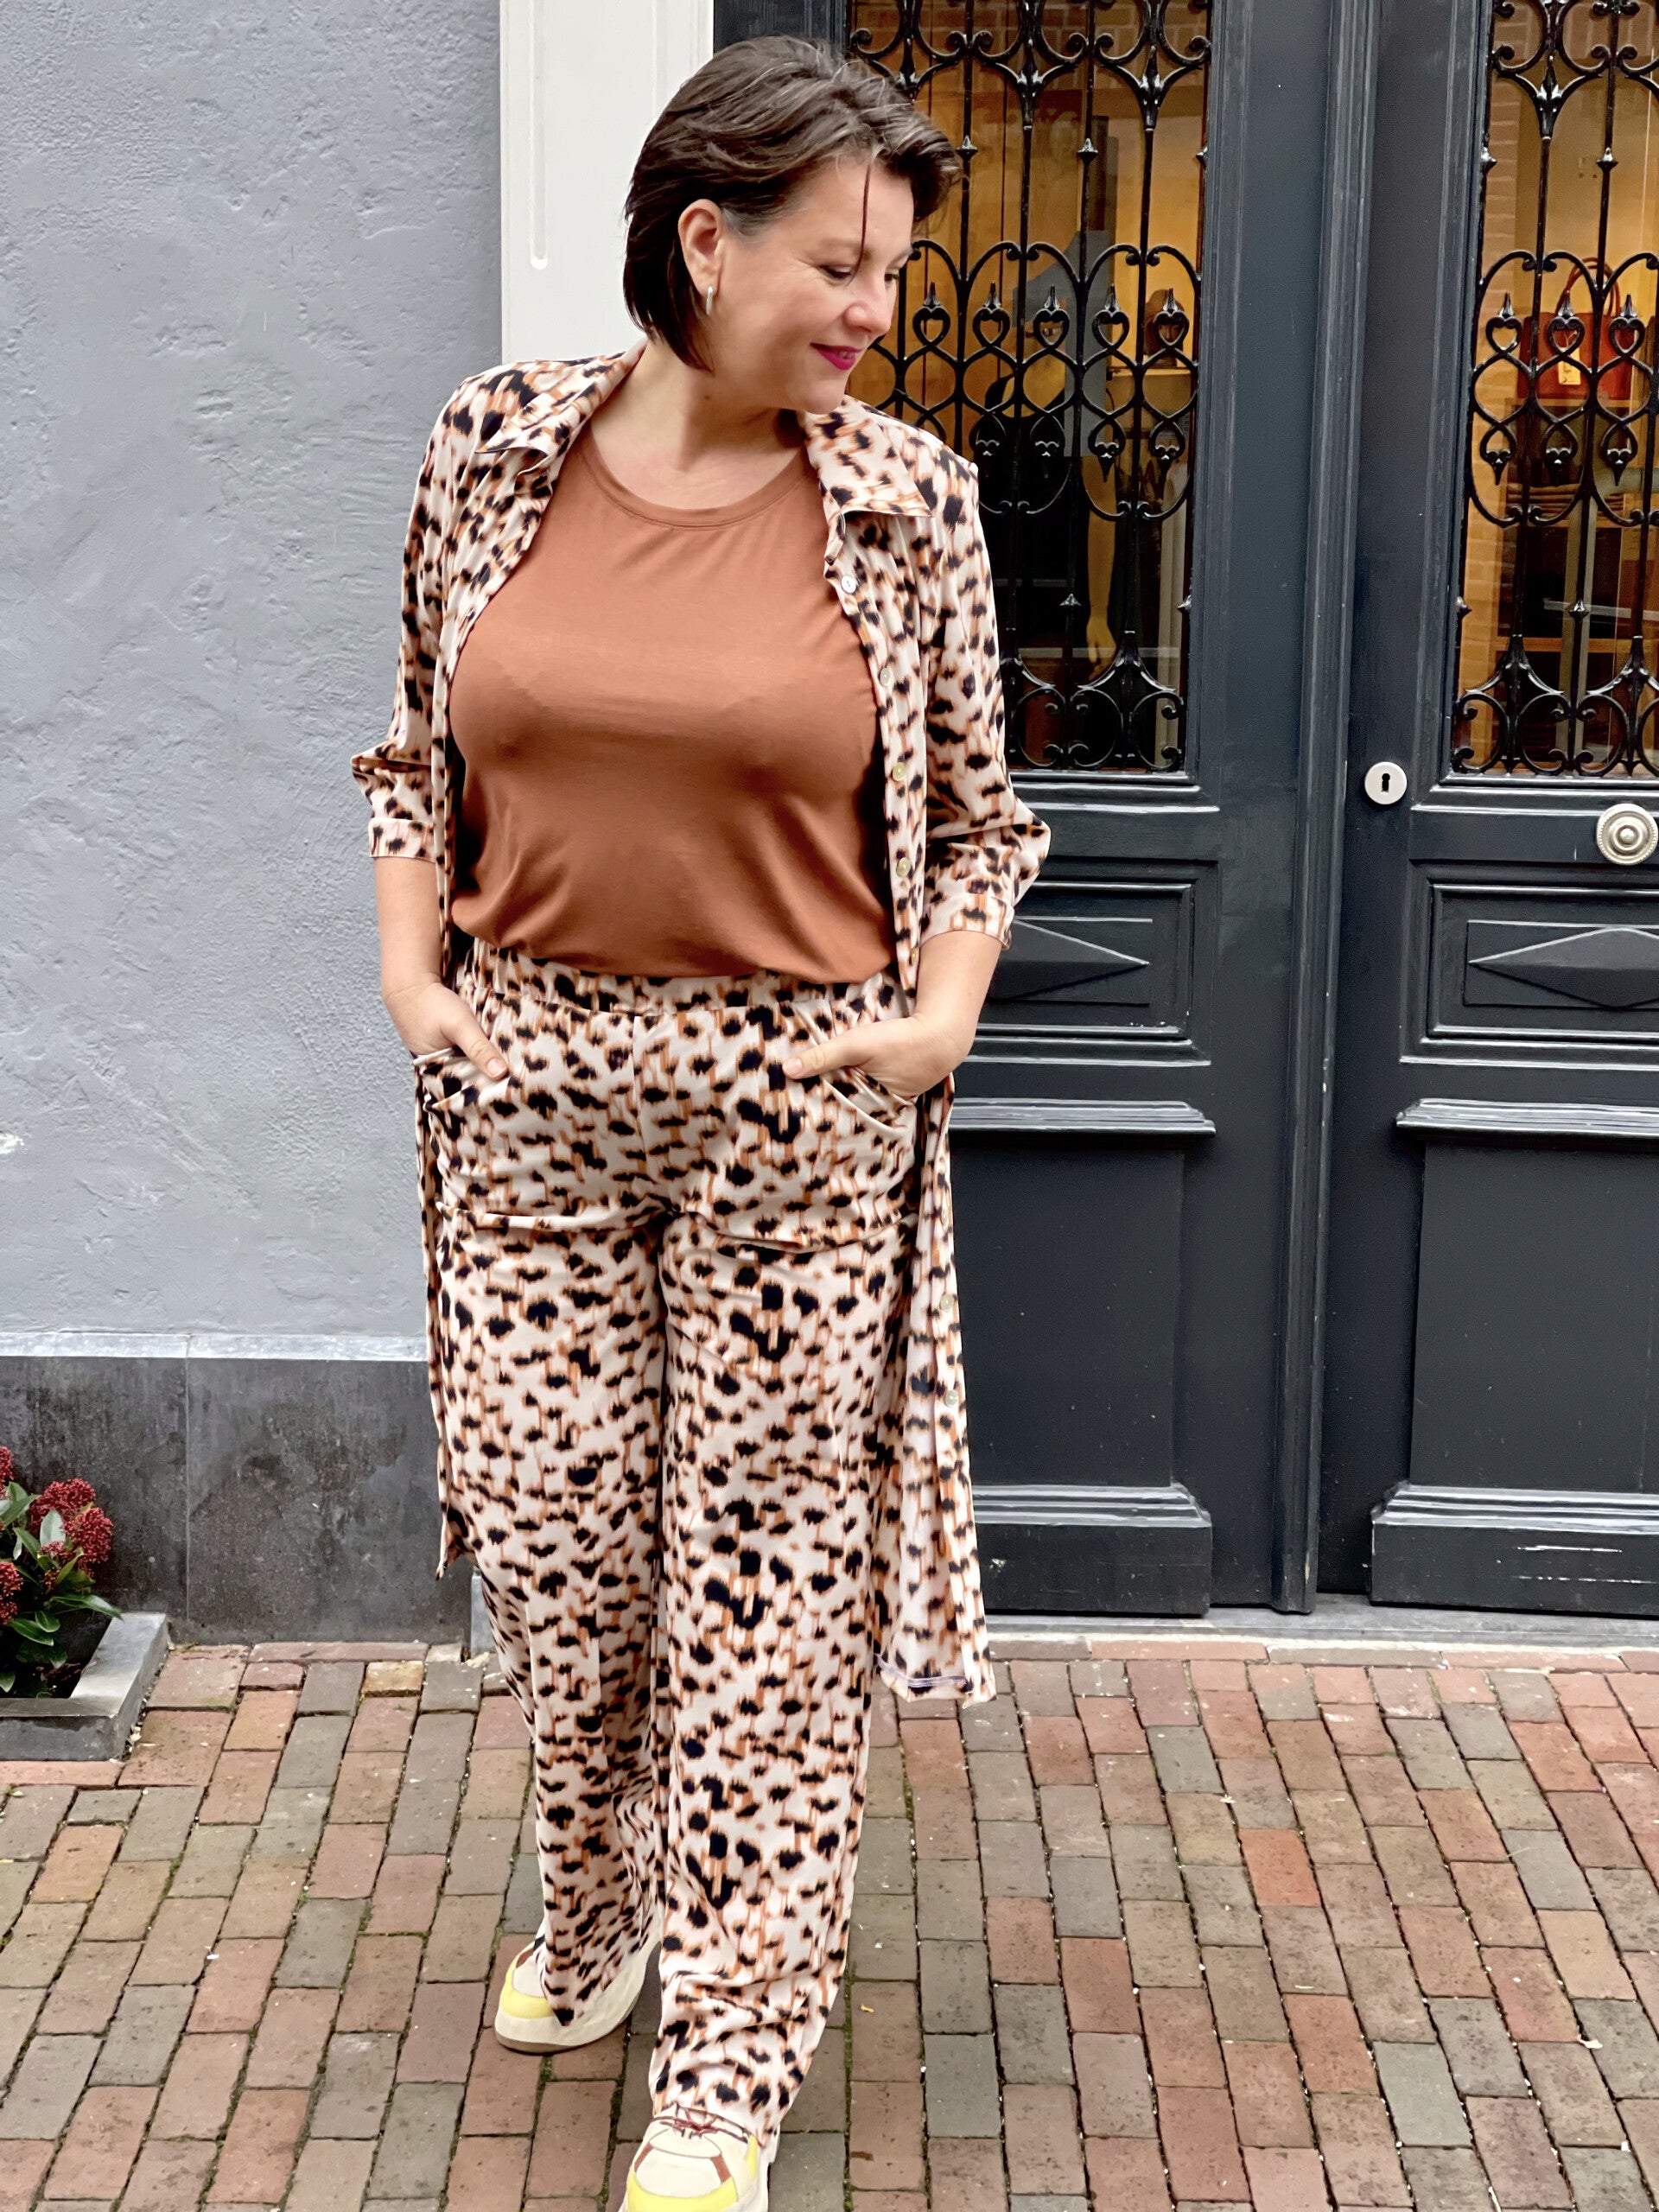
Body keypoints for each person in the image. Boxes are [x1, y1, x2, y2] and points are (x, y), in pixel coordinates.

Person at [351, 36, 1049, 2211]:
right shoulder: (496, 445)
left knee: (764, 1608)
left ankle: (731, 2055)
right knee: (564, 1558)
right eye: (838, 263)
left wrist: (933, 1024)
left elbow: (984, 821)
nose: (873, 309)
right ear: (704, 237)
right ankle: (601, 1892)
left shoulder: (906, 500)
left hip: (794, 1111)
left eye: (892, 271)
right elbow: (413, 756)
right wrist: (416, 983)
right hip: (530, 1092)